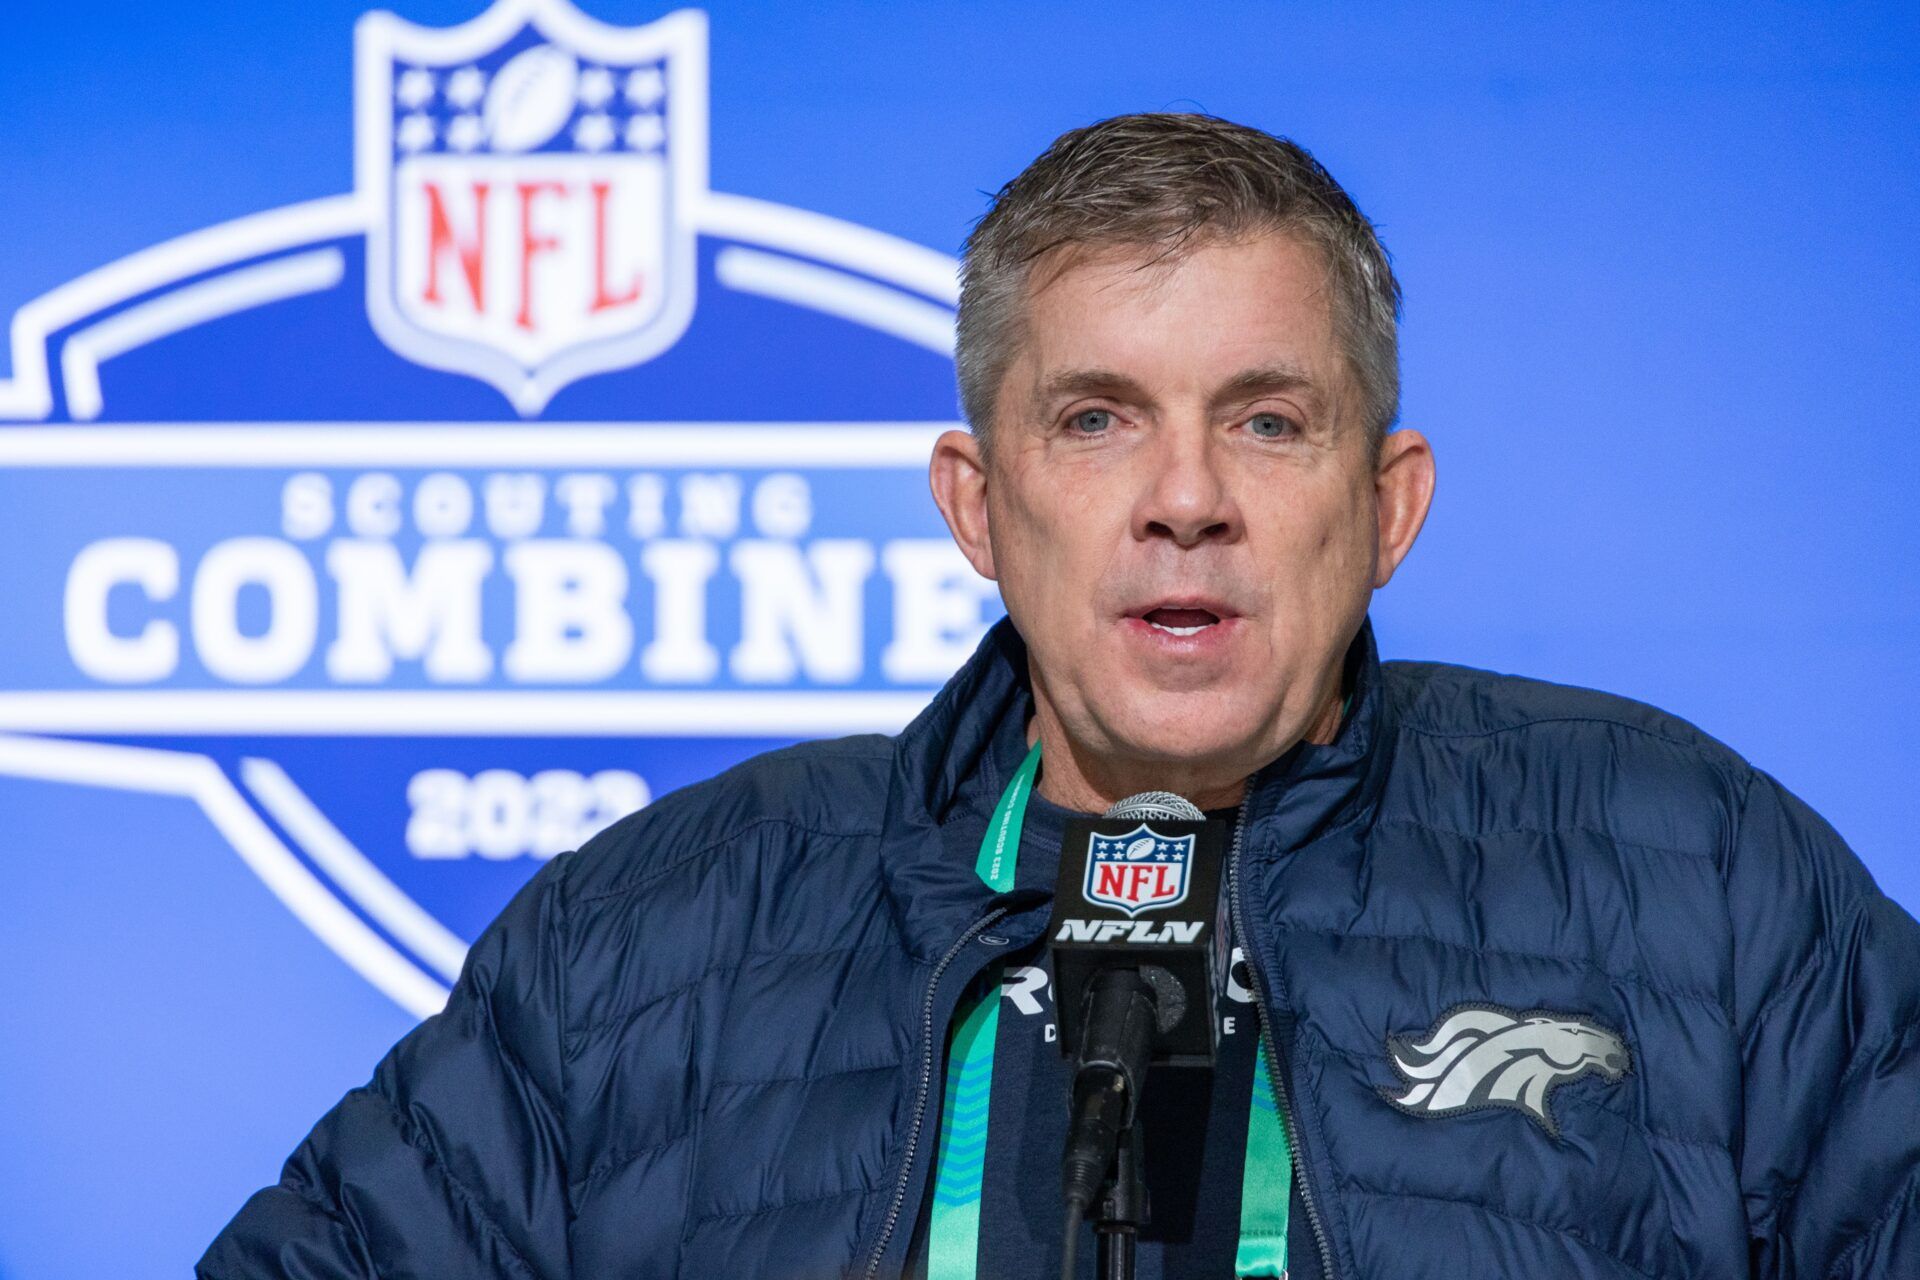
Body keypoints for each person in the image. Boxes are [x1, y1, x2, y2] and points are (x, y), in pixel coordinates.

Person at [199, 114, 1920, 1280]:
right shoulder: (652, 933)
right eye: (1097, 419)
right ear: (975, 503)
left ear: (1388, 505)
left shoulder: (1693, 870)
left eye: (1267, 419)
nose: (1186, 497)